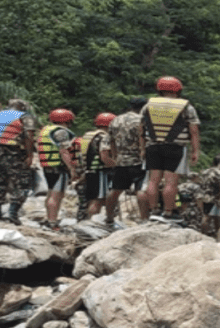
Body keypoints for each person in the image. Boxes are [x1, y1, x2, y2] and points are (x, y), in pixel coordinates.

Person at [139, 75, 201, 222]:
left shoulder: (148, 105)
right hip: (175, 147)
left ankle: (154, 211)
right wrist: (195, 150)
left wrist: (142, 148)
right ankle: (168, 212)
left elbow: (141, 128)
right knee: (171, 182)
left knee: (153, 181)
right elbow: (194, 130)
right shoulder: (186, 106)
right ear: (178, 89)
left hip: (152, 146)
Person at [0, 98, 38, 225]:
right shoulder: (25, 116)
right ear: (22, 107)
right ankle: (13, 214)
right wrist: (30, 155)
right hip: (14, 153)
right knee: (22, 183)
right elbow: (29, 136)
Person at [104, 97, 149, 227]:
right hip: (138, 160)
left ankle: (108, 218)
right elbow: (144, 138)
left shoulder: (116, 120)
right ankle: (144, 219)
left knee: (115, 189)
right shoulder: (142, 120)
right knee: (141, 189)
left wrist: (115, 156)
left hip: (121, 160)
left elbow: (111, 140)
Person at [37, 108, 80, 230]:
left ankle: (49, 218)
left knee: (51, 193)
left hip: (48, 166)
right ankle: (52, 222)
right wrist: (71, 168)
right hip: (58, 167)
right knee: (56, 195)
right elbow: (64, 151)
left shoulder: (45, 130)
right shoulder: (61, 132)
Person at [77, 112, 116, 220]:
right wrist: (116, 166)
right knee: (97, 200)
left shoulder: (88, 135)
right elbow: (104, 157)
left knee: (90, 199)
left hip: (87, 172)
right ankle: (93, 223)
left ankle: (87, 221)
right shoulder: (105, 137)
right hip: (99, 173)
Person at [196, 155, 220, 236]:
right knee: (212, 217)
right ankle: (214, 235)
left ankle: (204, 234)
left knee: (208, 216)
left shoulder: (206, 171)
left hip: (204, 195)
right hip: (215, 197)